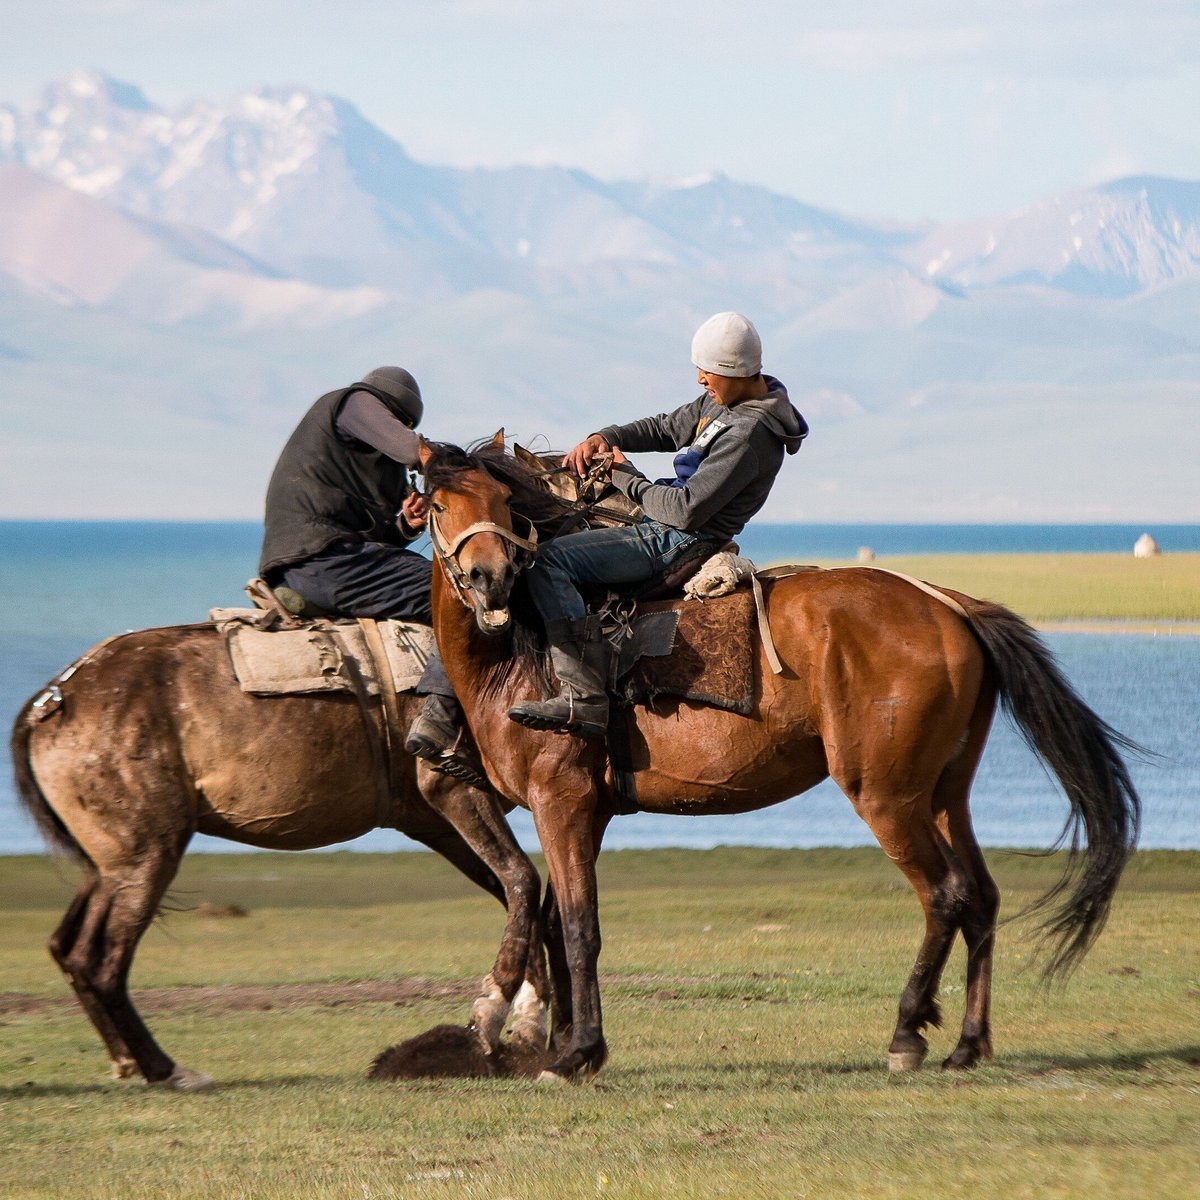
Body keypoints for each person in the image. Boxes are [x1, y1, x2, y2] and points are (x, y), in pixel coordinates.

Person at [508, 313, 808, 738]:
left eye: (708, 375)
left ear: (735, 372)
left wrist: (623, 476)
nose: (701, 381)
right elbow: (668, 427)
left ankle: (582, 694)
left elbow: (685, 510)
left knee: (549, 561)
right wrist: (608, 436)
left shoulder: (750, 432)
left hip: (681, 537)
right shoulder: (726, 401)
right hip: (663, 519)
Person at [258, 366, 485, 788]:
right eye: (399, 423)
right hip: (322, 559)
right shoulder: (353, 403)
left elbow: (371, 537)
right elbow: (407, 448)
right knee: (456, 591)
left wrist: (403, 527)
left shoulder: (356, 452)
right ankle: (438, 717)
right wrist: (447, 462)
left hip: (330, 559)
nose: (396, 431)